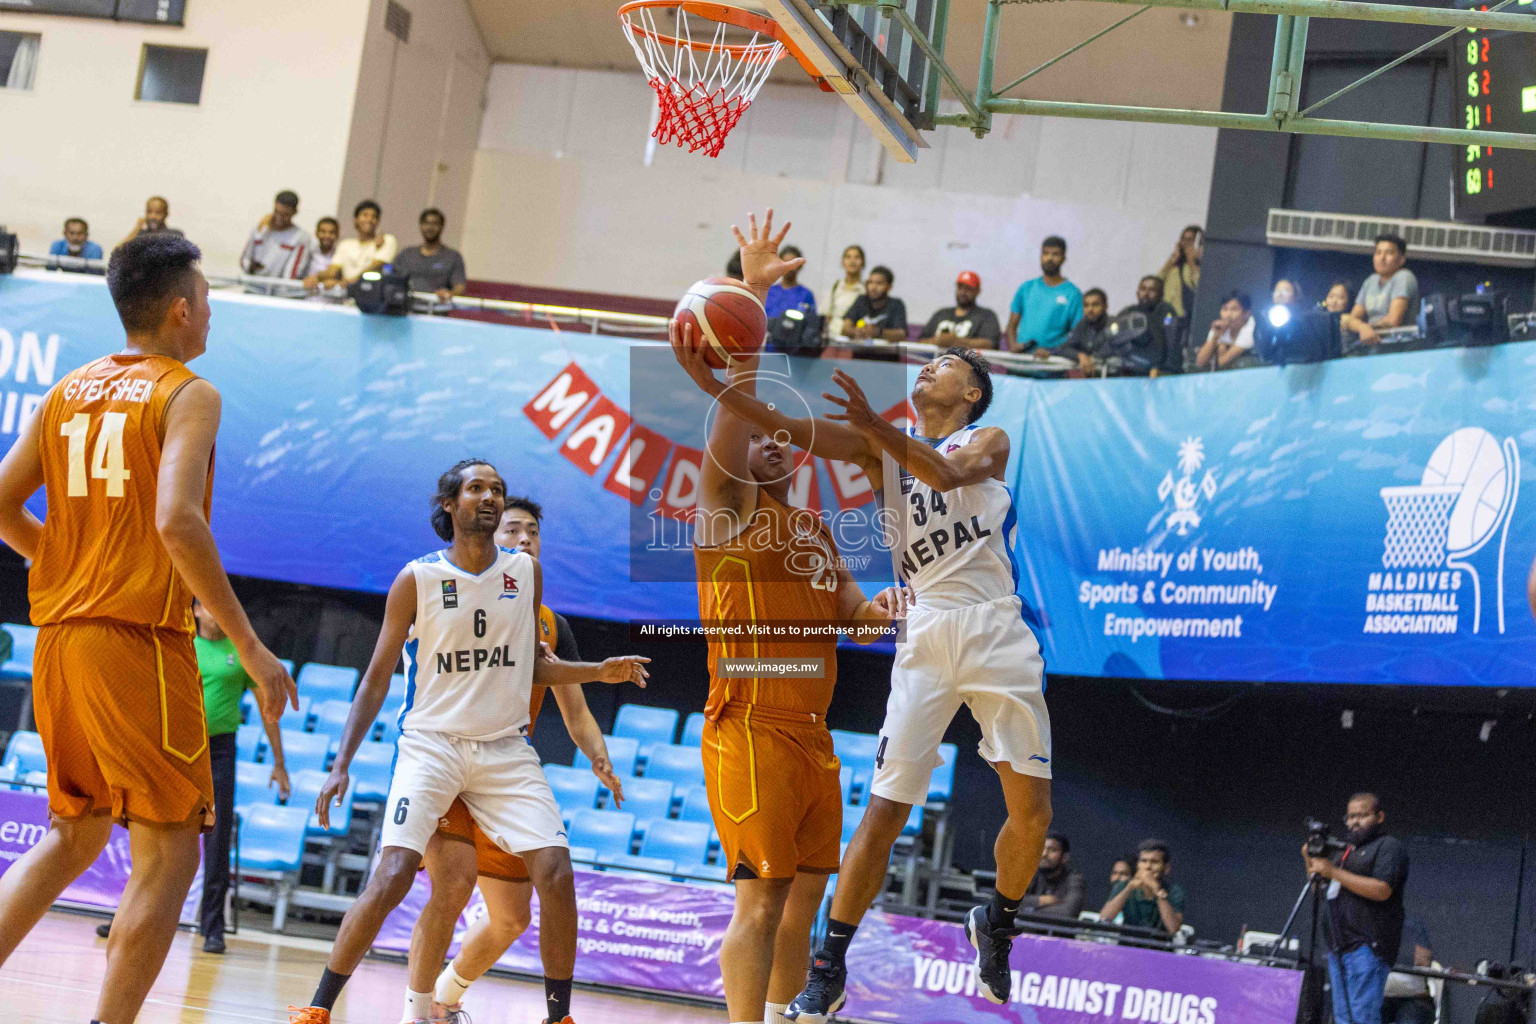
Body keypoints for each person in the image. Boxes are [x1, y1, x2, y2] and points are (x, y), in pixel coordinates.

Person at [675, 314, 1052, 1014]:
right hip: (928, 624)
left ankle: (997, 919)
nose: (930, 368)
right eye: (928, 360)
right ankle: (829, 967)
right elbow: (788, 426)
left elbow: (941, 473)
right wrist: (716, 385)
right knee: (883, 811)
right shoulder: (874, 451)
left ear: (972, 393)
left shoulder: (986, 440)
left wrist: (878, 430)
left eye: (946, 364)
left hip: (997, 626)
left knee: (1032, 814)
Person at [0, 232, 297, 1024]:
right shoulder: (188, 392)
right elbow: (177, 520)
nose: (209, 318)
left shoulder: (65, 391)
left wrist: (65, 564)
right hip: (137, 640)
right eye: (205, 303)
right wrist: (247, 643)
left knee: (75, 833)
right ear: (178, 310)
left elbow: (1, 505)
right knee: (171, 851)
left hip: (60, 637)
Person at [287, 459, 650, 1024]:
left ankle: (560, 1017)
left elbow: (530, 667)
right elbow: (378, 675)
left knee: (555, 872)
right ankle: (319, 1006)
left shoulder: (526, 576)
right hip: (432, 744)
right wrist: (341, 764)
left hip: (503, 748)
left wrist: (598, 671)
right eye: (477, 489)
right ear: (450, 506)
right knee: (394, 875)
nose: (490, 497)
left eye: (497, 491)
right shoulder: (418, 579)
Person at [671, 210, 900, 1024]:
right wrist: (753, 302)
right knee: (760, 904)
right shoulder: (723, 511)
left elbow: (859, 622)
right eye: (759, 436)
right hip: (751, 723)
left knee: (804, 900)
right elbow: (735, 420)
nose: (772, 443)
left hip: (813, 729)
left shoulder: (813, 530)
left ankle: (786, 1017)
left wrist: (893, 607)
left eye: (783, 438)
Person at [403, 495, 625, 1024]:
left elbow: (576, 711)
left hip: (504, 768)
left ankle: (445, 997)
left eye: (532, 533)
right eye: (512, 531)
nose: (524, 541)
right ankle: (413, 1012)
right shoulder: (446, 593)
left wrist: (599, 756)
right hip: (449, 762)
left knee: (511, 919)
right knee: (449, 892)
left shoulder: (550, 622)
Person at [191, 597, 291, 952]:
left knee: (217, 837)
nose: (215, 612)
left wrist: (279, 763)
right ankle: (124, 915)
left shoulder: (241, 652)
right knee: (153, 832)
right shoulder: (183, 643)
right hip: (181, 749)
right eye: (207, 605)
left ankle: (213, 928)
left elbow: (268, 708)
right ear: (197, 610)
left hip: (219, 751)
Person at [1303, 792, 1409, 1024]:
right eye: (1350, 817)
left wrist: (1332, 871)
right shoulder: (1344, 850)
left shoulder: (1389, 847)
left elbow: (1382, 890)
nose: (1354, 822)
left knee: (1363, 1017)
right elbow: (1319, 892)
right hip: (1338, 944)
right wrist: (1309, 860)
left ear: (1379, 816)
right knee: (1342, 1018)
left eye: (1362, 815)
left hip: (1367, 946)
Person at [1004, 236, 1083, 355]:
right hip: (1020, 363)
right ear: (1041, 256)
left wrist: (1052, 352)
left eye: (1055, 254)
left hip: (1051, 366)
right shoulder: (1026, 288)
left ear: (1063, 258)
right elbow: (1011, 324)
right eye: (1046, 253)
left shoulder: (1073, 294)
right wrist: (1013, 346)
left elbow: (1077, 334)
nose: (1050, 258)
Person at [1098, 839, 1186, 936]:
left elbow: (1173, 928)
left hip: (1158, 949)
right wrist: (1129, 888)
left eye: (1154, 862)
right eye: (1144, 861)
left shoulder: (1174, 891)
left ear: (1166, 868)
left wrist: (1157, 892)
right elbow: (1105, 918)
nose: (1148, 866)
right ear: (1138, 865)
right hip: (1127, 946)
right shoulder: (1125, 885)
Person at [1342, 235, 1418, 345]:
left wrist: (1364, 328)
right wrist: (1362, 328)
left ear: (1401, 260)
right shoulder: (1370, 281)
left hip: (1399, 346)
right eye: (1378, 253)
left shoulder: (1404, 276)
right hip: (1371, 343)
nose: (1382, 258)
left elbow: (1393, 321)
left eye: (1389, 253)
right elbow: (1353, 319)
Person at [392, 208, 467, 306]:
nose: (430, 227)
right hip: (405, 310)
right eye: (426, 223)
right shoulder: (406, 254)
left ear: (441, 227)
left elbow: (459, 287)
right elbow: (392, 280)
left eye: (435, 223)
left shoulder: (453, 256)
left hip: (437, 312)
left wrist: (449, 294)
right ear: (420, 226)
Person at [315, 199, 397, 288]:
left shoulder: (387, 240)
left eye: (374, 217)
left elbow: (375, 267)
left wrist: (347, 283)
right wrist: (316, 278)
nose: (369, 219)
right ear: (356, 219)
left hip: (370, 292)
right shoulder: (345, 245)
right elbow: (332, 271)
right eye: (365, 215)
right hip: (346, 295)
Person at [240, 190, 313, 284]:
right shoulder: (261, 229)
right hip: (253, 289)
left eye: (285, 215)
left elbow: (293, 273)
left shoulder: (300, 238)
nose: (279, 218)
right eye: (276, 212)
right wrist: (251, 266)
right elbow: (244, 260)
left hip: (279, 293)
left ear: (295, 212)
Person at [917, 272, 1001, 349]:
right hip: (934, 362)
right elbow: (920, 342)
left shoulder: (987, 316)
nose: (963, 292)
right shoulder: (941, 313)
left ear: (977, 291)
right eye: (960, 287)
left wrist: (955, 341)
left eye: (968, 288)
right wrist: (938, 341)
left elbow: (990, 344)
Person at [1382, 914, 1435, 1024]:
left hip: (1412, 997)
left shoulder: (1412, 925)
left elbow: (1423, 961)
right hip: (1378, 996)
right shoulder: (1367, 924)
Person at [1020, 833, 1084, 919]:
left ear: (1064, 857)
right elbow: (1004, 902)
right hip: (1025, 930)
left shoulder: (1075, 879)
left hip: (1057, 931)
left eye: (1052, 850)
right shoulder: (1030, 872)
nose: (1044, 854)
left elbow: (1068, 913)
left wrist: (1028, 910)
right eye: (1041, 849)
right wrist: (1040, 900)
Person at [841, 265, 908, 343]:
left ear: (889, 287)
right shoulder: (861, 300)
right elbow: (845, 328)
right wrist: (857, 332)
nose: (873, 287)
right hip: (860, 352)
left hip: (885, 353)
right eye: (870, 282)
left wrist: (877, 332)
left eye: (879, 283)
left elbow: (901, 334)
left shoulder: (896, 304)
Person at [1194, 291, 1256, 371]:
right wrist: (1214, 337)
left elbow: (1223, 363)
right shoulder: (1219, 326)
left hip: (1253, 371)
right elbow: (1200, 362)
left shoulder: (1252, 328)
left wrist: (1221, 346)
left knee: (1243, 363)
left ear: (1246, 313)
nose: (1228, 315)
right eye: (1225, 309)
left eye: (1234, 309)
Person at [1061, 288, 1111, 372]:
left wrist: (1095, 358)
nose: (1090, 309)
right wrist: (1080, 355)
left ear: (1105, 306)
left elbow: (1116, 349)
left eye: (1095, 305)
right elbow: (1064, 348)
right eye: (1086, 305)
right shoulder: (1082, 325)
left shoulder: (1113, 325)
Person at [1158, 225, 1202, 321]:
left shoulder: (1200, 266)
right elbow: (1157, 281)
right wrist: (1172, 260)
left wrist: (1191, 261)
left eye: (1190, 240)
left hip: (1184, 318)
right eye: (1183, 239)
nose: (1185, 243)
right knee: (1166, 330)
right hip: (1168, 314)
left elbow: (1199, 285)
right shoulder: (1175, 265)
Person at [822, 245, 866, 339]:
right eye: (848, 257)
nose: (852, 261)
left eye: (857, 257)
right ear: (842, 262)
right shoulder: (835, 286)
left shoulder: (865, 291)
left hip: (853, 339)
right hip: (832, 337)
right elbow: (825, 314)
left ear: (863, 262)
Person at [764, 244, 816, 320]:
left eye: (793, 263)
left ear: (799, 266)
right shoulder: (769, 292)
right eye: (785, 263)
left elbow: (811, 324)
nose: (789, 268)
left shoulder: (806, 294)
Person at [117, 196, 182, 251]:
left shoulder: (175, 234)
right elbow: (117, 253)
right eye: (149, 212)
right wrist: (137, 228)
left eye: (158, 213)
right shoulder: (140, 234)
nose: (153, 216)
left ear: (165, 214)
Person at [303, 218, 342, 298]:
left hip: (332, 304)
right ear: (316, 233)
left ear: (337, 235)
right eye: (323, 232)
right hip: (308, 301)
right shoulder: (309, 253)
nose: (327, 236)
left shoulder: (341, 255)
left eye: (331, 232)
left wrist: (335, 283)